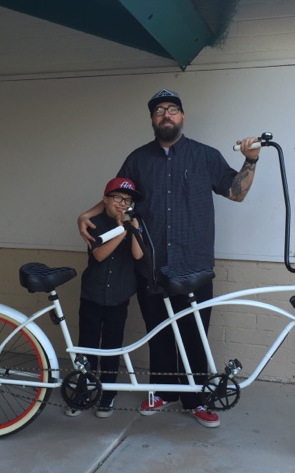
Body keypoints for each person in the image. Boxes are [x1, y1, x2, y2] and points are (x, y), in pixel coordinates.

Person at [77, 88, 260, 428]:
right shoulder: (137, 160)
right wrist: (85, 215)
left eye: (172, 109)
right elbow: (116, 198)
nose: (166, 114)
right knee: (158, 332)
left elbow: (236, 193)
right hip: (151, 265)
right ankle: (163, 391)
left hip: (195, 266)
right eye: (159, 110)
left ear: (182, 116)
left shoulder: (205, 156)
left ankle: (196, 399)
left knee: (194, 334)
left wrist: (250, 160)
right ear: (152, 119)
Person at [66, 177, 144, 418]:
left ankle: (108, 393)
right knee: (87, 346)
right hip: (93, 294)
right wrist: (121, 231)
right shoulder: (94, 223)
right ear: (105, 199)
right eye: (118, 198)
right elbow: (99, 254)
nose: (122, 203)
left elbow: (138, 255)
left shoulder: (134, 223)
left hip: (119, 297)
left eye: (127, 200)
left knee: (112, 347)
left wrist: (133, 229)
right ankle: (83, 389)